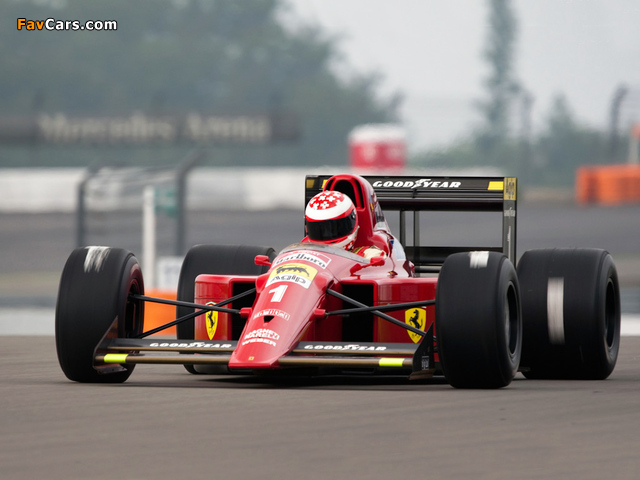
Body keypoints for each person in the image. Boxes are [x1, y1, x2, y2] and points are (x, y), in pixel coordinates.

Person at [304, 191, 385, 259]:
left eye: (335, 228)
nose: (327, 234)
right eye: (319, 230)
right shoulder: (304, 252)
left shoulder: (370, 256)